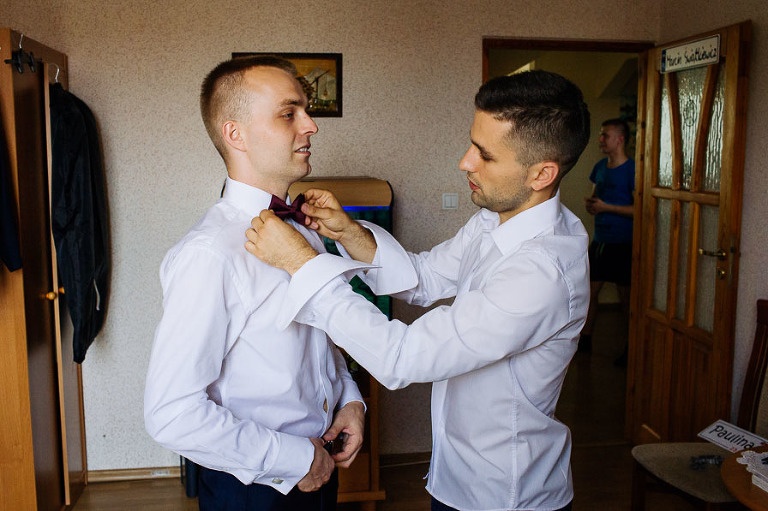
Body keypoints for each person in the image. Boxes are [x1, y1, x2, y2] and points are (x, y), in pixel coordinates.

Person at [244, 70, 591, 511]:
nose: (465, 162)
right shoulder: (496, 219)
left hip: (505, 493)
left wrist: (302, 265)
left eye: (485, 155)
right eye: (472, 144)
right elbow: (423, 277)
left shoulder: (543, 273)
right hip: (455, 473)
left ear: (542, 173)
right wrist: (349, 232)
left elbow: (404, 357)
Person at [144, 56, 366, 511]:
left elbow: (318, 342)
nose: (311, 126)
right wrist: (295, 459)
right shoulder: (209, 254)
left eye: (306, 110)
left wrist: (350, 401)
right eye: (288, 113)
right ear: (236, 134)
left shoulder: (306, 230)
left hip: (323, 466)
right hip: (254, 489)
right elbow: (171, 413)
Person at [579, 119, 635, 361]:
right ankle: (585, 341)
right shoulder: (600, 167)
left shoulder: (633, 169)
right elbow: (595, 198)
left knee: (626, 298)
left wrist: (607, 207)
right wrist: (592, 205)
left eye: (605, 135)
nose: (600, 140)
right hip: (600, 239)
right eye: (601, 135)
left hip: (623, 243)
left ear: (620, 139)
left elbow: (640, 210)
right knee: (590, 292)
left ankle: (630, 347)